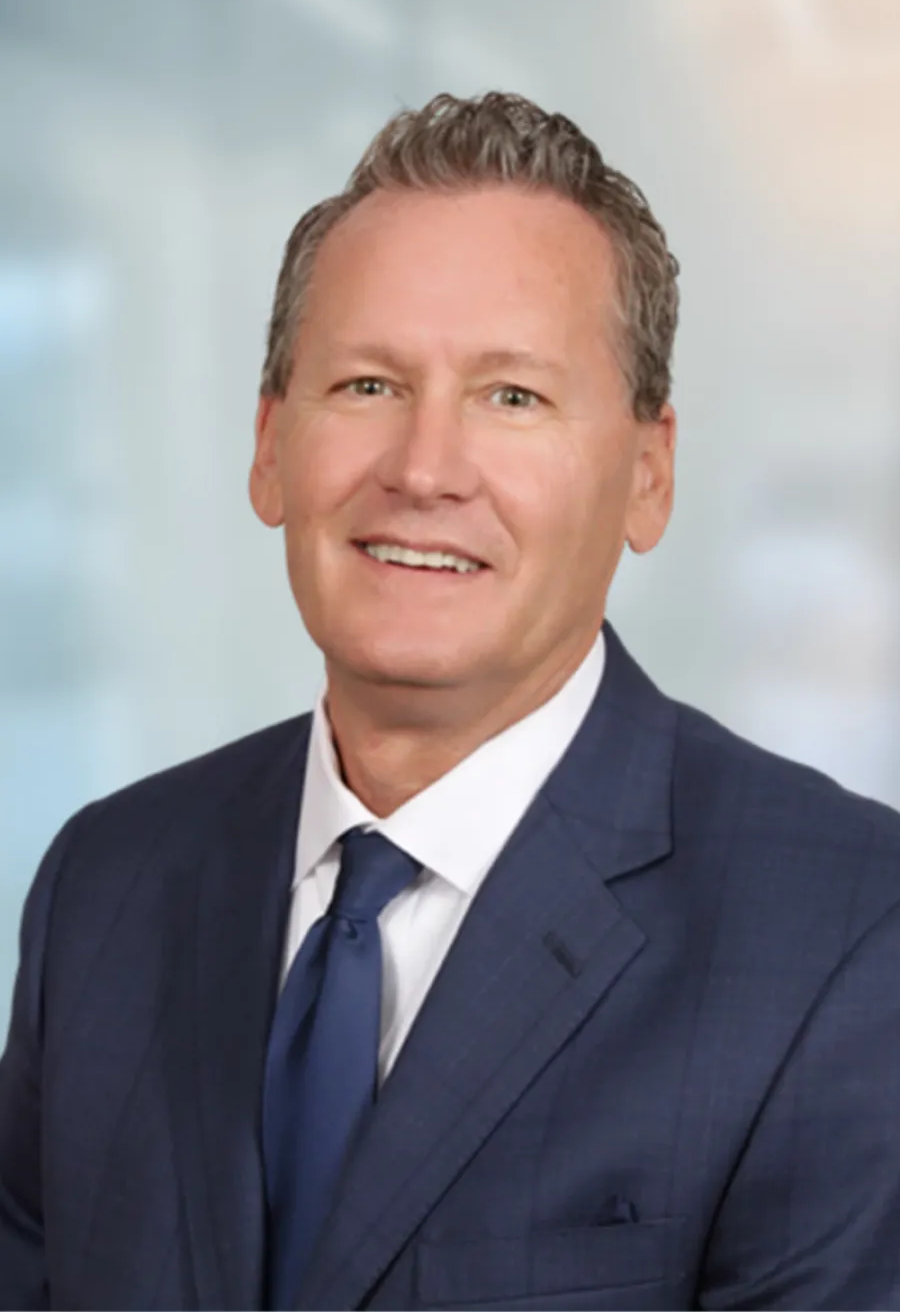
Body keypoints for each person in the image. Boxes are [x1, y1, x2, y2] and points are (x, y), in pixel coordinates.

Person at [2, 91, 900, 1312]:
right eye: (367, 385)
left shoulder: (846, 936)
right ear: (270, 446)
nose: (424, 469)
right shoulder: (104, 886)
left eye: (512, 397)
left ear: (649, 472)